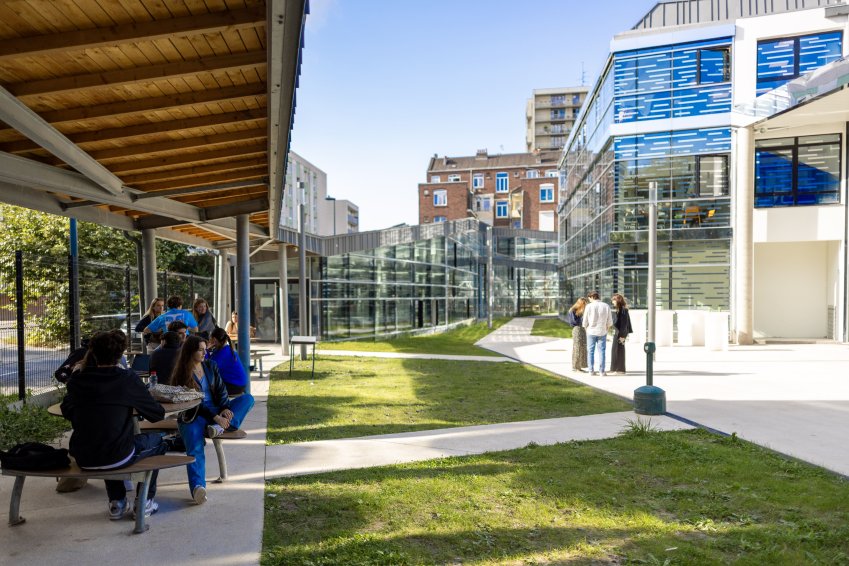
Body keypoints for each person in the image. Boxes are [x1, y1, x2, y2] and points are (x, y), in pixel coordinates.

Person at [60, 330, 166, 520]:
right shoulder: (126, 379)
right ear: (121, 354)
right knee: (158, 441)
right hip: (116, 455)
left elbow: (67, 410)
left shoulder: (77, 379)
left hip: (83, 455)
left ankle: (117, 502)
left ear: (91, 352)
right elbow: (156, 414)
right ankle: (145, 501)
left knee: (105, 437)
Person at [171, 335, 255, 505]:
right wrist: (215, 417)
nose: (204, 353)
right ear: (190, 351)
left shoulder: (210, 365)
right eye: (200, 350)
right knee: (195, 448)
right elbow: (194, 403)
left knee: (247, 399)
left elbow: (221, 391)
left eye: (205, 349)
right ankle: (198, 488)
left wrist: (224, 408)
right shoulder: (181, 373)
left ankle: (219, 426)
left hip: (216, 412)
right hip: (193, 414)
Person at [207, 327, 249, 395]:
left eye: (210, 339)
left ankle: (215, 405)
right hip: (239, 383)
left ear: (214, 340)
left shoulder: (223, 353)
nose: (209, 341)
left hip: (235, 386)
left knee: (207, 388)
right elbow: (211, 359)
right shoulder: (224, 349)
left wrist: (206, 350)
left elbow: (209, 366)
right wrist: (208, 351)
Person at [582, 290, 613, 376]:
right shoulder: (606, 306)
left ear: (592, 297)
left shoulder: (589, 306)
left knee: (590, 352)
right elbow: (610, 321)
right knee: (602, 352)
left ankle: (591, 371)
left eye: (589, 298)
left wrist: (586, 330)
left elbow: (585, 321)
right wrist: (606, 329)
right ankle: (602, 371)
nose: (589, 300)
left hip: (591, 331)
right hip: (602, 331)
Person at [610, 294, 633, 375]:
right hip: (618, 333)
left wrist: (622, 335)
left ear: (617, 300)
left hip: (620, 334)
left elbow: (624, 324)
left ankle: (619, 369)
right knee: (616, 350)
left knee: (618, 351)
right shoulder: (620, 309)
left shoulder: (623, 310)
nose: (612, 302)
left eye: (613, 300)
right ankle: (617, 369)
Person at [566, 297, 588, 372]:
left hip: (583, 329)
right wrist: (583, 319)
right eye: (584, 303)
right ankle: (575, 366)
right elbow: (574, 322)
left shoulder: (583, 310)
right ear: (580, 303)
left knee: (582, 347)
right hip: (577, 329)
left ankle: (580, 366)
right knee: (577, 347)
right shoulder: (573, 310)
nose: (585, 305)